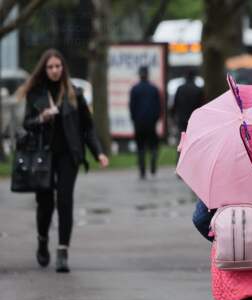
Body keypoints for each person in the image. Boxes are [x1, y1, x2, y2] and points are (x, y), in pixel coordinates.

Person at [19, 48, 109, 273]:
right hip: (44, 156)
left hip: (69, 155)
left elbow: (87, 127)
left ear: (63, 68)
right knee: (46, 204)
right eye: (50, 67)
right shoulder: (36, 94)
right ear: (44, 69)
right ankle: (42, 241)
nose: (54, 70)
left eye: (58, 66)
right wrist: (42, 117)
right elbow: (26, 124)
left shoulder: (74, 94)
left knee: (65, 201)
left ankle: (62, 252)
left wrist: (98, 152)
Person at [129, 66, 161, 179]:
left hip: (139, 123)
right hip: (151, 123)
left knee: (140, 147)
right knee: (153, 145)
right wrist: (155, 119)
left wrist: (134, 119)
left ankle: (142, 170)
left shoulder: (134, 89)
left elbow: (132, 107)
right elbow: (158, 107)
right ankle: (153, 160)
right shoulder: (154, 89)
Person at [172, 69, 204, 134]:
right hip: (194, 118)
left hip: (182, 118)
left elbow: (175, 104)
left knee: (182, 136)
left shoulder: (180, 89)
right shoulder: (198, 90)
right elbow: (201, 105)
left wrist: (173, 115)